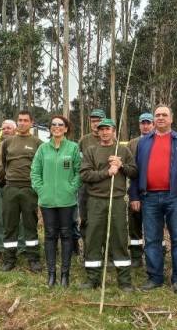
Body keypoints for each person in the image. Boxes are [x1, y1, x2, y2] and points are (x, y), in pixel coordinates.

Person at [129, 105, 177, 293]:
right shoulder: (144, 142)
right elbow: (136, 171)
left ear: (171, 119)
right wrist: (134, 195)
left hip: (175, 197)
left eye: (165, 115)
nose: (161, 118)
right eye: (157, 115)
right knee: (152, 239)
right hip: (149, 197)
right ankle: (155, 277)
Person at [79, 118, 138, 292]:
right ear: (98, 131)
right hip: (96, 201)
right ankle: (92, 278)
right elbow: (85, 175)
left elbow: (134, 172)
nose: (105, 132)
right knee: (93, 238)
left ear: (114, 131)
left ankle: (125, 281)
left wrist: (121, 166)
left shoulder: (123, 150)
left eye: (108, 129)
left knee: (119, 238)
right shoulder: (91, 151)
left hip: (117, 200)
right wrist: (107, 172)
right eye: (102, 129)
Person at [31, 115, 81, 287]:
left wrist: (71, 188)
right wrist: (41, 189)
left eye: (61, 125)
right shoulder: (43, 149)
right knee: (50, 235)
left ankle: (65, 274)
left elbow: (78, 172)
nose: (57, 127)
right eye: (54, 124)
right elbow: (35, 172)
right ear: (50, 128)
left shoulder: (73, 148)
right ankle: (51, 273)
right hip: (47, 202)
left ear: (66, 128)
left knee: (67, 235)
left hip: (67, 201)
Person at [0, 110, 43, 272]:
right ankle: (9, 259)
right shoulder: (8, 143)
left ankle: (33, 258)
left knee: (30, 225)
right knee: (10, 225)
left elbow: (41, 167)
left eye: (25, 120)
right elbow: (4, 163)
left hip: (29, 189)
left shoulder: (38, 143)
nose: (22, 123)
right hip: (11, 188)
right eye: (20, 120)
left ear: (31, 123)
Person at [0, 119, 23, 256]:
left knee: (20, 218)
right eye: (3, 128)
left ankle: (22, 247)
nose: (6, 130)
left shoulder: (21, 144)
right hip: (0, 186)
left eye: (9, 128)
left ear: (15, 129)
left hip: (18, 186)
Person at [127, 112, 154, 267]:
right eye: (143, 123)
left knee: (154, 226)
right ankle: (136, 256)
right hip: (136, 189)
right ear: (139, 125)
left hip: (154, 191)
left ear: (153, 124)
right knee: (134, 223)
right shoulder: (132, 143)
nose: (145, 126)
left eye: (148, 123)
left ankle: (156, 255)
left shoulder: (158, 141)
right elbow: (130, 169)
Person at [77, 108, 106, 242]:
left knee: (103, 219)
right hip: (86, 186)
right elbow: (79, 163)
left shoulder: (110, 138)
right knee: (85, 218)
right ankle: (87, 248)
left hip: (104, 185)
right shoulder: (84, 140)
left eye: (98, 120)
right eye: (93, 121)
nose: (96, 124)